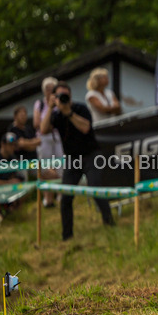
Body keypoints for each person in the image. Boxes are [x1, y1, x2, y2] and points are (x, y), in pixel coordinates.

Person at [40, 81, 114, 240]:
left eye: (66, 95)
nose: (64, 98)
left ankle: (109, 223)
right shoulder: (55, 115)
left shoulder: (80, 109)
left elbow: (86, 128)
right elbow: (43, 129)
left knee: (96, 189)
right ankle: (67, 236)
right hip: (73, 160)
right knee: (66, 196)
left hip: (91, 155)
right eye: (60, 95)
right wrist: (51, 108)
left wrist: (69, 113)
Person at [34, 77, 65, 208]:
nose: (50, 90)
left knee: (61, 166)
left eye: (52, 88)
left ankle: (62, 194)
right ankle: (48, 198)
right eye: (47, 88)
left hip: (58, 138)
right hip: (44, 140)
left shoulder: (60, 102)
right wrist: (49, 125)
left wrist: (48, 125)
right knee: (46, 168)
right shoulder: (39, 104)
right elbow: (37, 124)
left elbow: (62, 121)